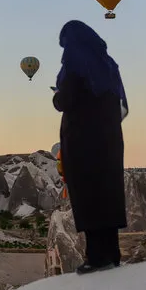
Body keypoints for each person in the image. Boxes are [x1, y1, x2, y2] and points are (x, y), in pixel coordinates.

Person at [52, 20, 128, 275]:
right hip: (108, 142)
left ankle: (96, 257)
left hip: (83, 142)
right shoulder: (107, 64)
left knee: (88, 195)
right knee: (107, 193)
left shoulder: (75, 63)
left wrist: (57, 95)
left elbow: (65, 99)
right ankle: (112, 254)